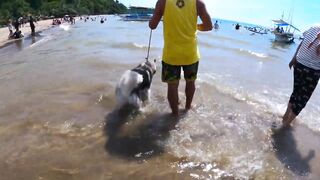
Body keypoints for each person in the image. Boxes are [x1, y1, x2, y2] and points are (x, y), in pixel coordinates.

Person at [149, 0, 213, 116]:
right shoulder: (198, 3)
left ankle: (175, 114)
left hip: (171, 55)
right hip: (191, 54)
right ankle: (187, 108)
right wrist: (196, 26)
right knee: (190, 82)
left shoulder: (162, 2)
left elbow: (152, 26)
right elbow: (209, 26)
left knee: (172, 86)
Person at [282, 25, 320, 127]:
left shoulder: (313, 27)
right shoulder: (313, 28)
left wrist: (293, 58)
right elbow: (318, 51)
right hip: (312, 71)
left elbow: (302, 44)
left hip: (299, 64)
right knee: (302, 99)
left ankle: (285, 116)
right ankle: (286, 124)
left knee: (296, 92)